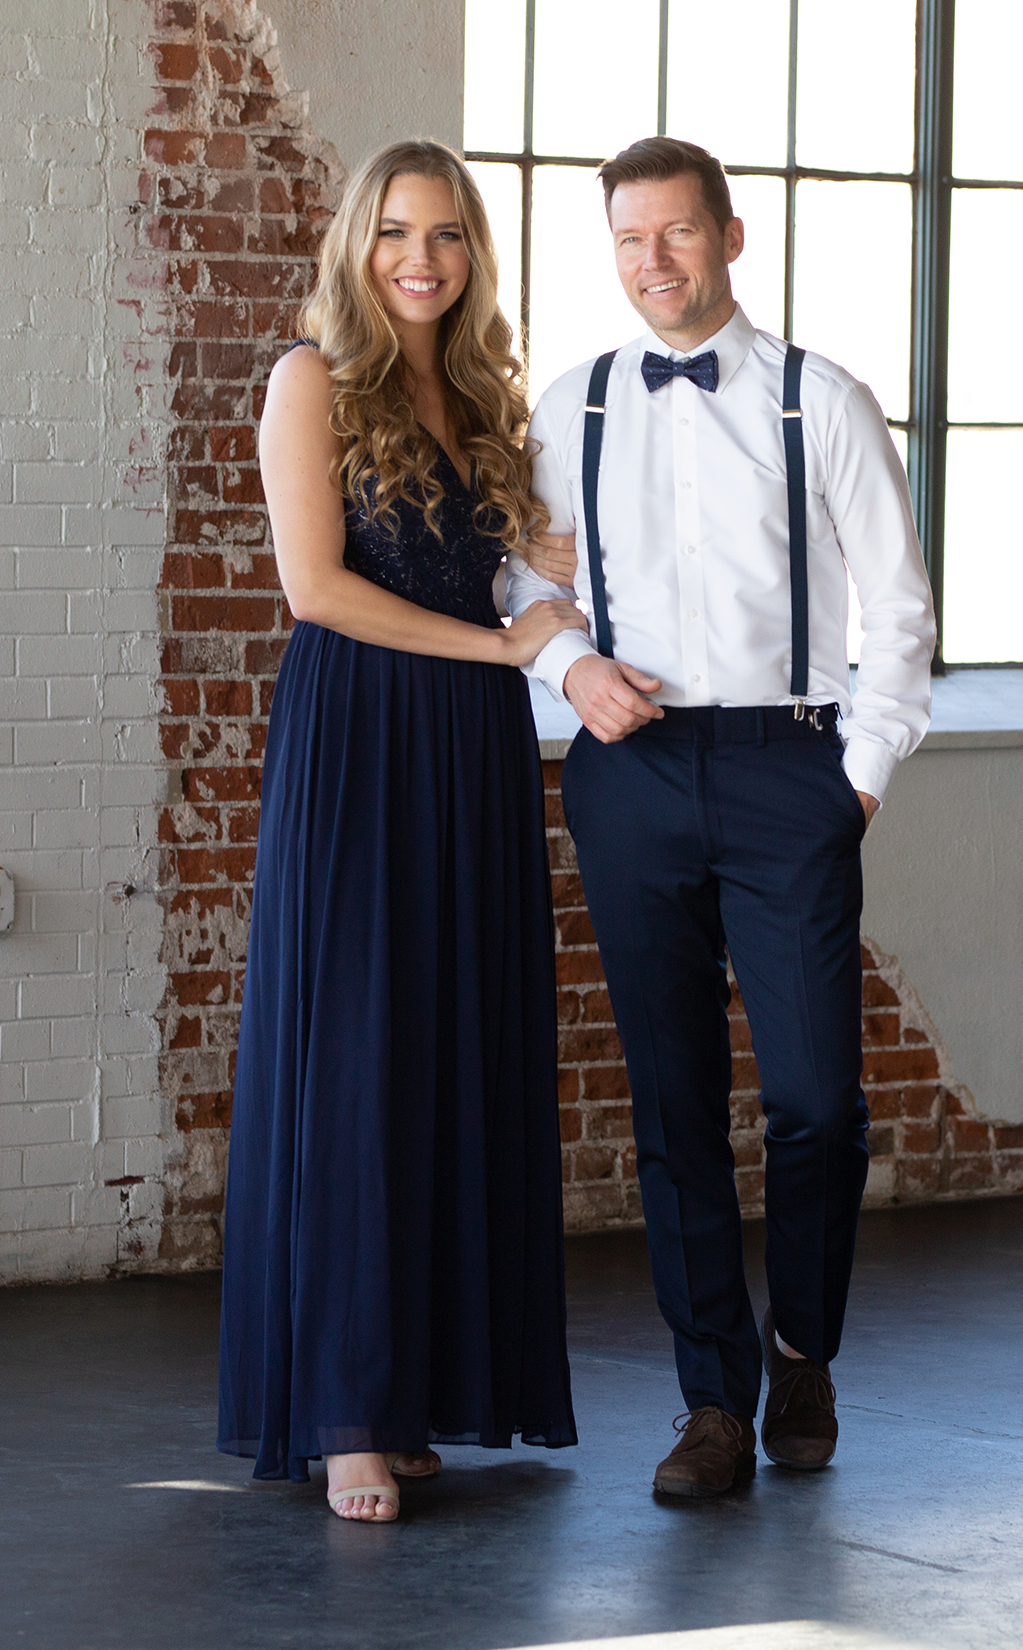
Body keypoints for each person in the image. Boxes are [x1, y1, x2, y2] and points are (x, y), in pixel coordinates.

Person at [509, 136, 936, 1496]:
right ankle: (710, 1402)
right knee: (673, 1099)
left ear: (731, 238)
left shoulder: (824, 400)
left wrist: (854, 778)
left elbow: (901, 605)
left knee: (816, 1097)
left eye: (678, 234)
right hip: (628, 776)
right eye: (632, 240)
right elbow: (518, 583)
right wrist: (568, 665)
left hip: (786, 771)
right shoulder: (571, 407)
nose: (655, 262)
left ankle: (802, 1347)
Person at [217, 140, 584, 1522]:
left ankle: (418, 1383)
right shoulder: (308, 378)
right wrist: (507, 650)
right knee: (359, 1057)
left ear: (472, 252)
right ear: (355, 248)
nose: (420, 258)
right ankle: (345, 1407)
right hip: (364, 736)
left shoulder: (481, 391)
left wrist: (553, 586)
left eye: (444, 234)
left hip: (470, 755)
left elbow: (521, 568)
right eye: (393, 233)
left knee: (449, 1045)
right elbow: (316, 591)